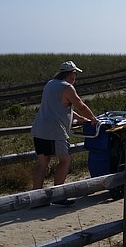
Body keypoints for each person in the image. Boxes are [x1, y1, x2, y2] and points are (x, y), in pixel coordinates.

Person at [31, 60, 99, 205]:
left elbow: (60, 107)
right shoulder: (67, 88)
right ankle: (58, 195)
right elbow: (80, 105)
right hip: (55, 131)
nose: (75, 77)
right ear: (69, 74)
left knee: (42, 163)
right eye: (74, 74)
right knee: (65, 160)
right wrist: (93, 119)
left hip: (39, 129)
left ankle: (36, 198)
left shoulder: (50, 84)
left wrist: (80, 119)